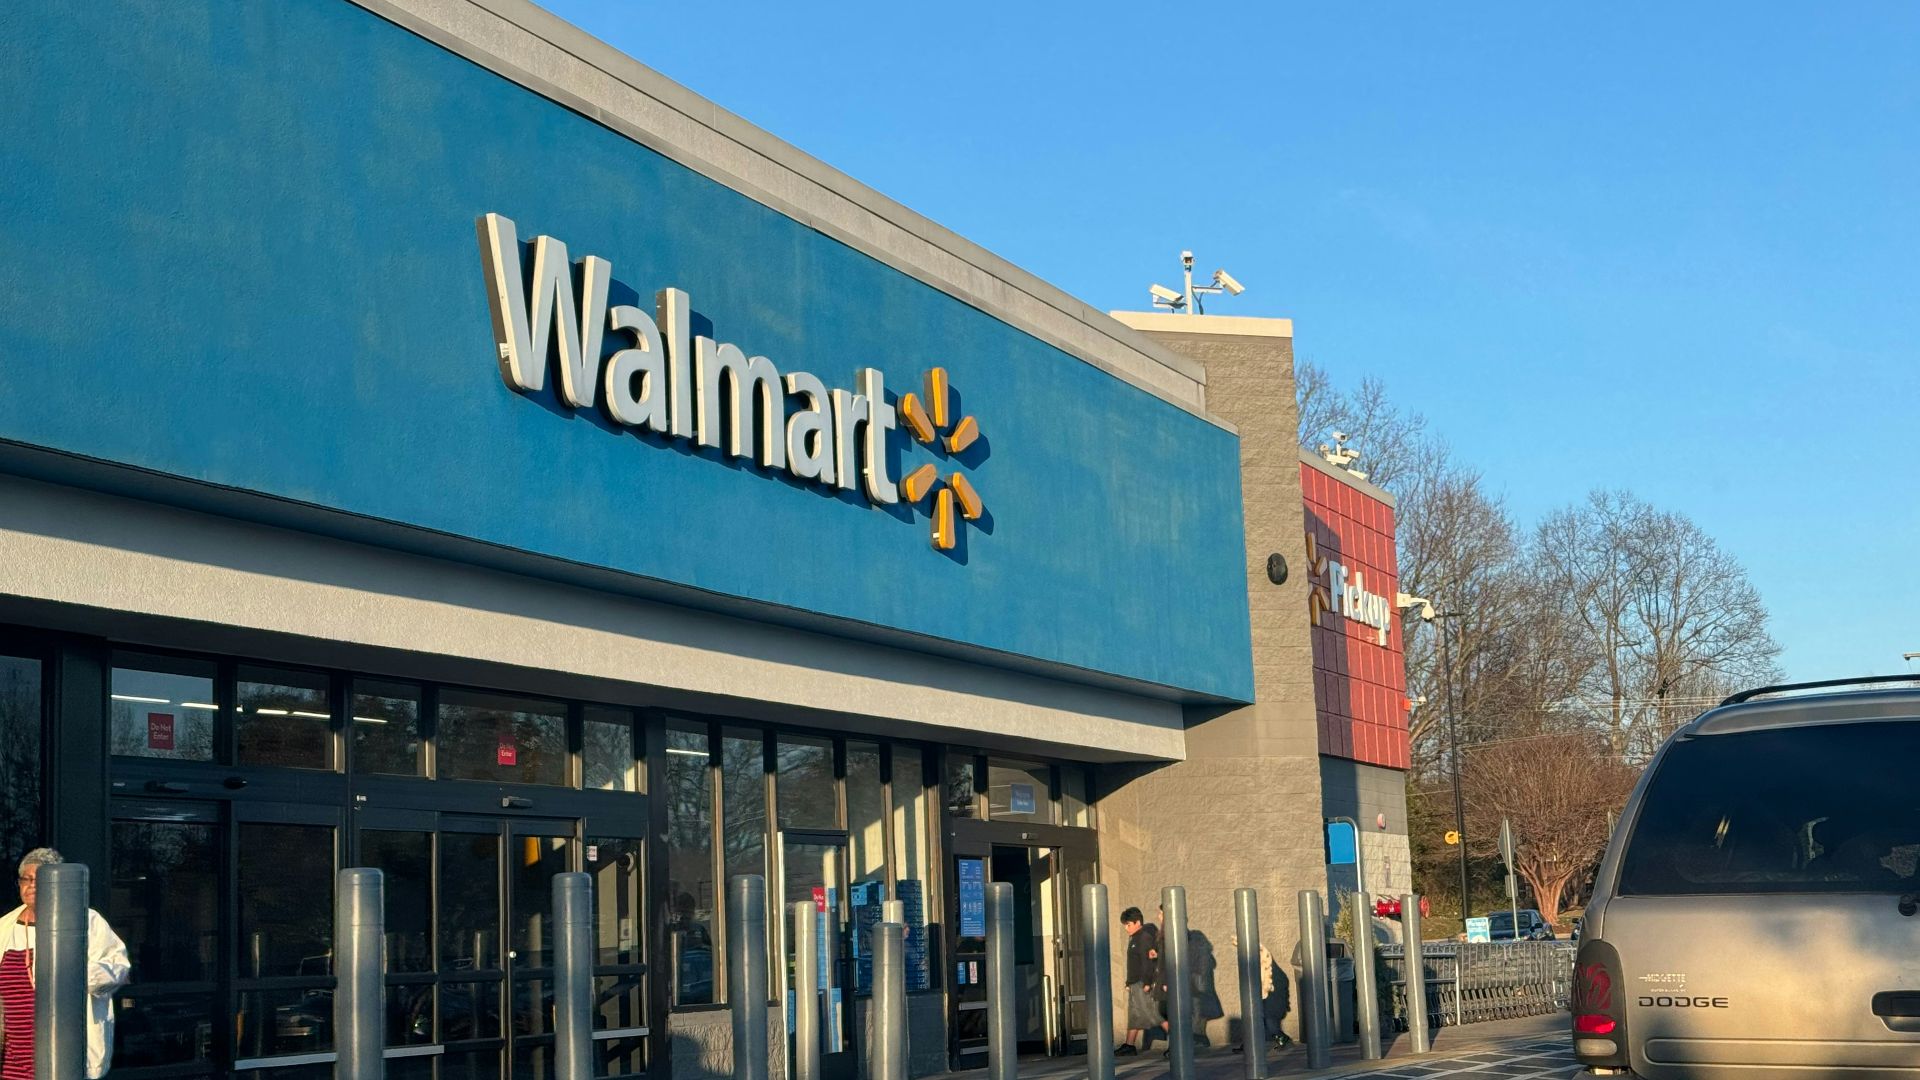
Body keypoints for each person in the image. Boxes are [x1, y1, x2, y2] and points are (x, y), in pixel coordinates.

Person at [0, 848, 130, 1079]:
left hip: (61, 1060)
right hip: (10, 1062)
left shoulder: (86, 921)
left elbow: (118, 969)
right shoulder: (4, 927)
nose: (31, 886)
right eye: (26, 879)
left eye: (39, 879)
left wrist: (72, 972)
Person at [1118, 906, 1160, 1055]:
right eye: (1125, 925)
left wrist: (1147, 983)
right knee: (1134, 1015)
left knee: (1155, 1015)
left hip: (1143, 983)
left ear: (1137, 923)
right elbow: (1134, 964)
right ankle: (1129, 1045)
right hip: (1135, 983)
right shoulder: (1134, 938)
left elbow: (1147, 962)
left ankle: (1179, 1042)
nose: (1126, 928)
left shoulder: (1144, 937)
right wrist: (1129, 982)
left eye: (1128, 925)